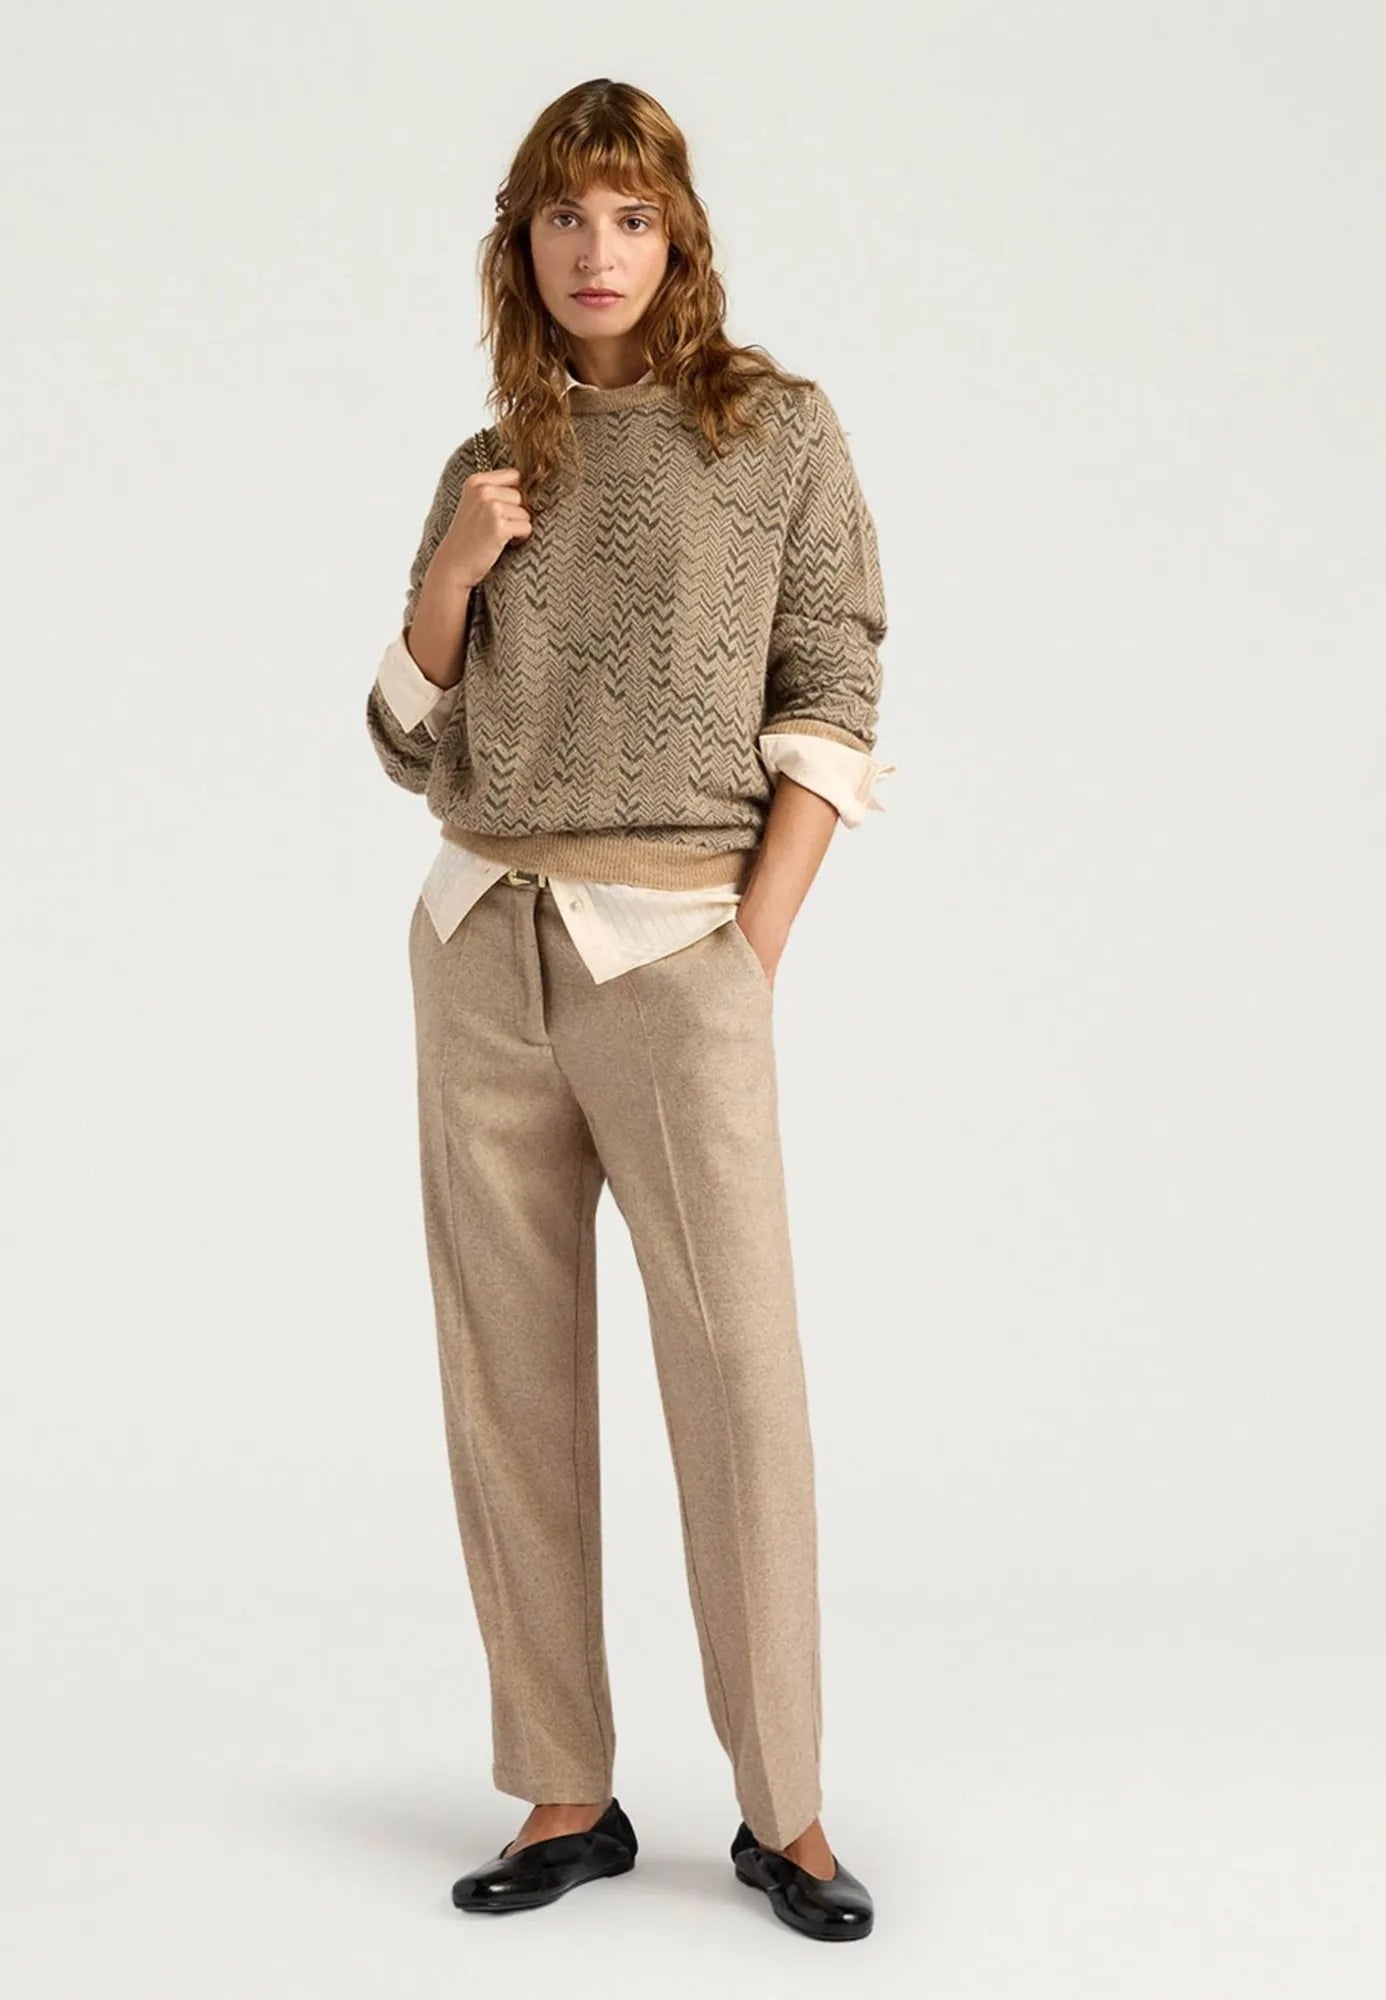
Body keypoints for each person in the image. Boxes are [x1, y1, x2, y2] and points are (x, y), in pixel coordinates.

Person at [365, 77, 893, 1944]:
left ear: (680, 238)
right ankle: (565, 1791)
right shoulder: (490, 458)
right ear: (519, 243)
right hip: (479, 934)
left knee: (738, 1371)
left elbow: (835, 684)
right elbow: (404, 735)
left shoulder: (775, 432)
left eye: (632, 217)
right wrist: (454, 569)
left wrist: (751, 945)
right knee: (503, 1374)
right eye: (564, 218)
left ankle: (786, 1809)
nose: (598, 252)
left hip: (675, 947)